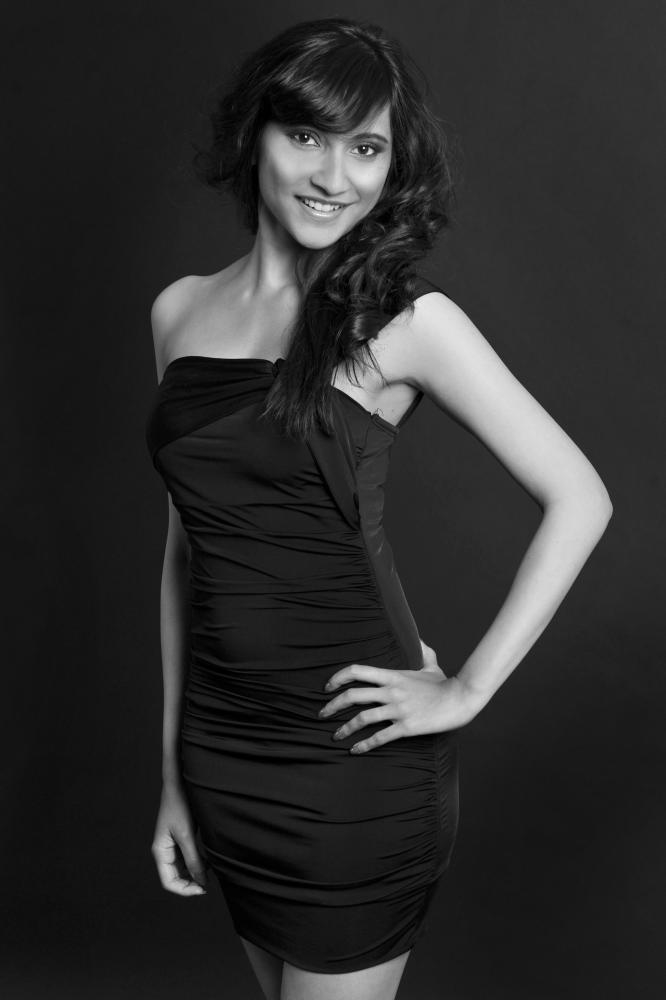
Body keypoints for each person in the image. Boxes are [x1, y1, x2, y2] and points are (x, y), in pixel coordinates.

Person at [145, 16, 612, 1000]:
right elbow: (187, 552)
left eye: (365, 148)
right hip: (224, 755)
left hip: (355, 769)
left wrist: (468, 688)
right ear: (255, 134)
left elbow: (579, 496)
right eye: (307, 136)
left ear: (393, 167)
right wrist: (175, 776)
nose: (334, 176)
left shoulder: (404, 323)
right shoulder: (177, 311)